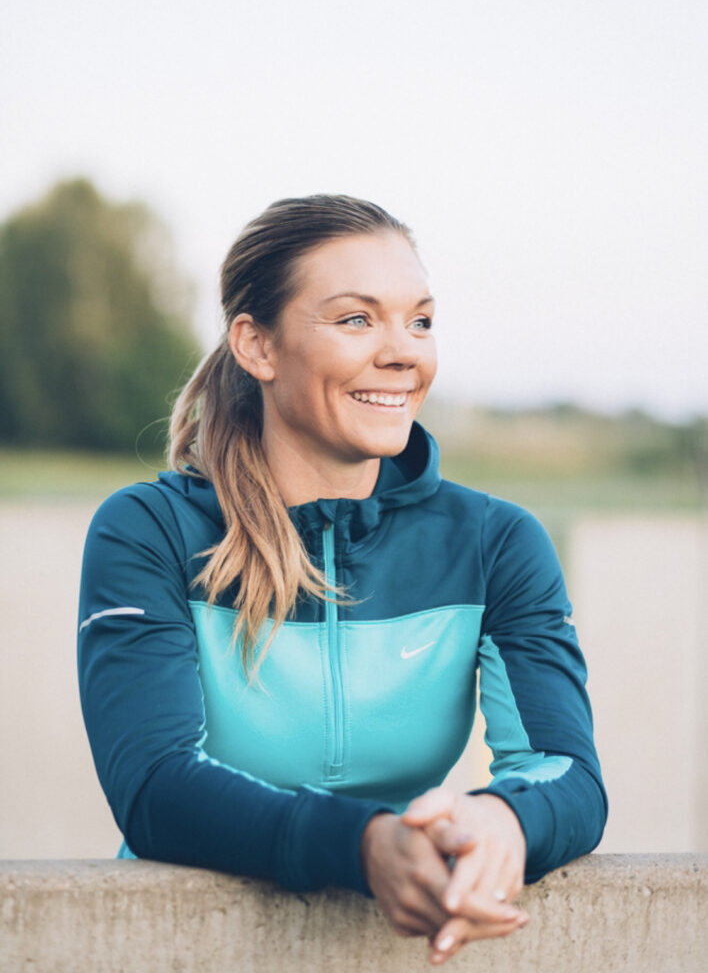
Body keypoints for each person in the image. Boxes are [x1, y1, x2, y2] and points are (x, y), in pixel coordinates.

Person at [78, 194, 607, 965]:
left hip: (405, 947)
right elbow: (155, 787)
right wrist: (362, 845)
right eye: (357, 319)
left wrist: (506, 821)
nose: (403, 353)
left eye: (420, 321)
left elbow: (568, 775)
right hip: (182, 950)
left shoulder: (496, 543)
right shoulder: (147, 530)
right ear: (257, 345)